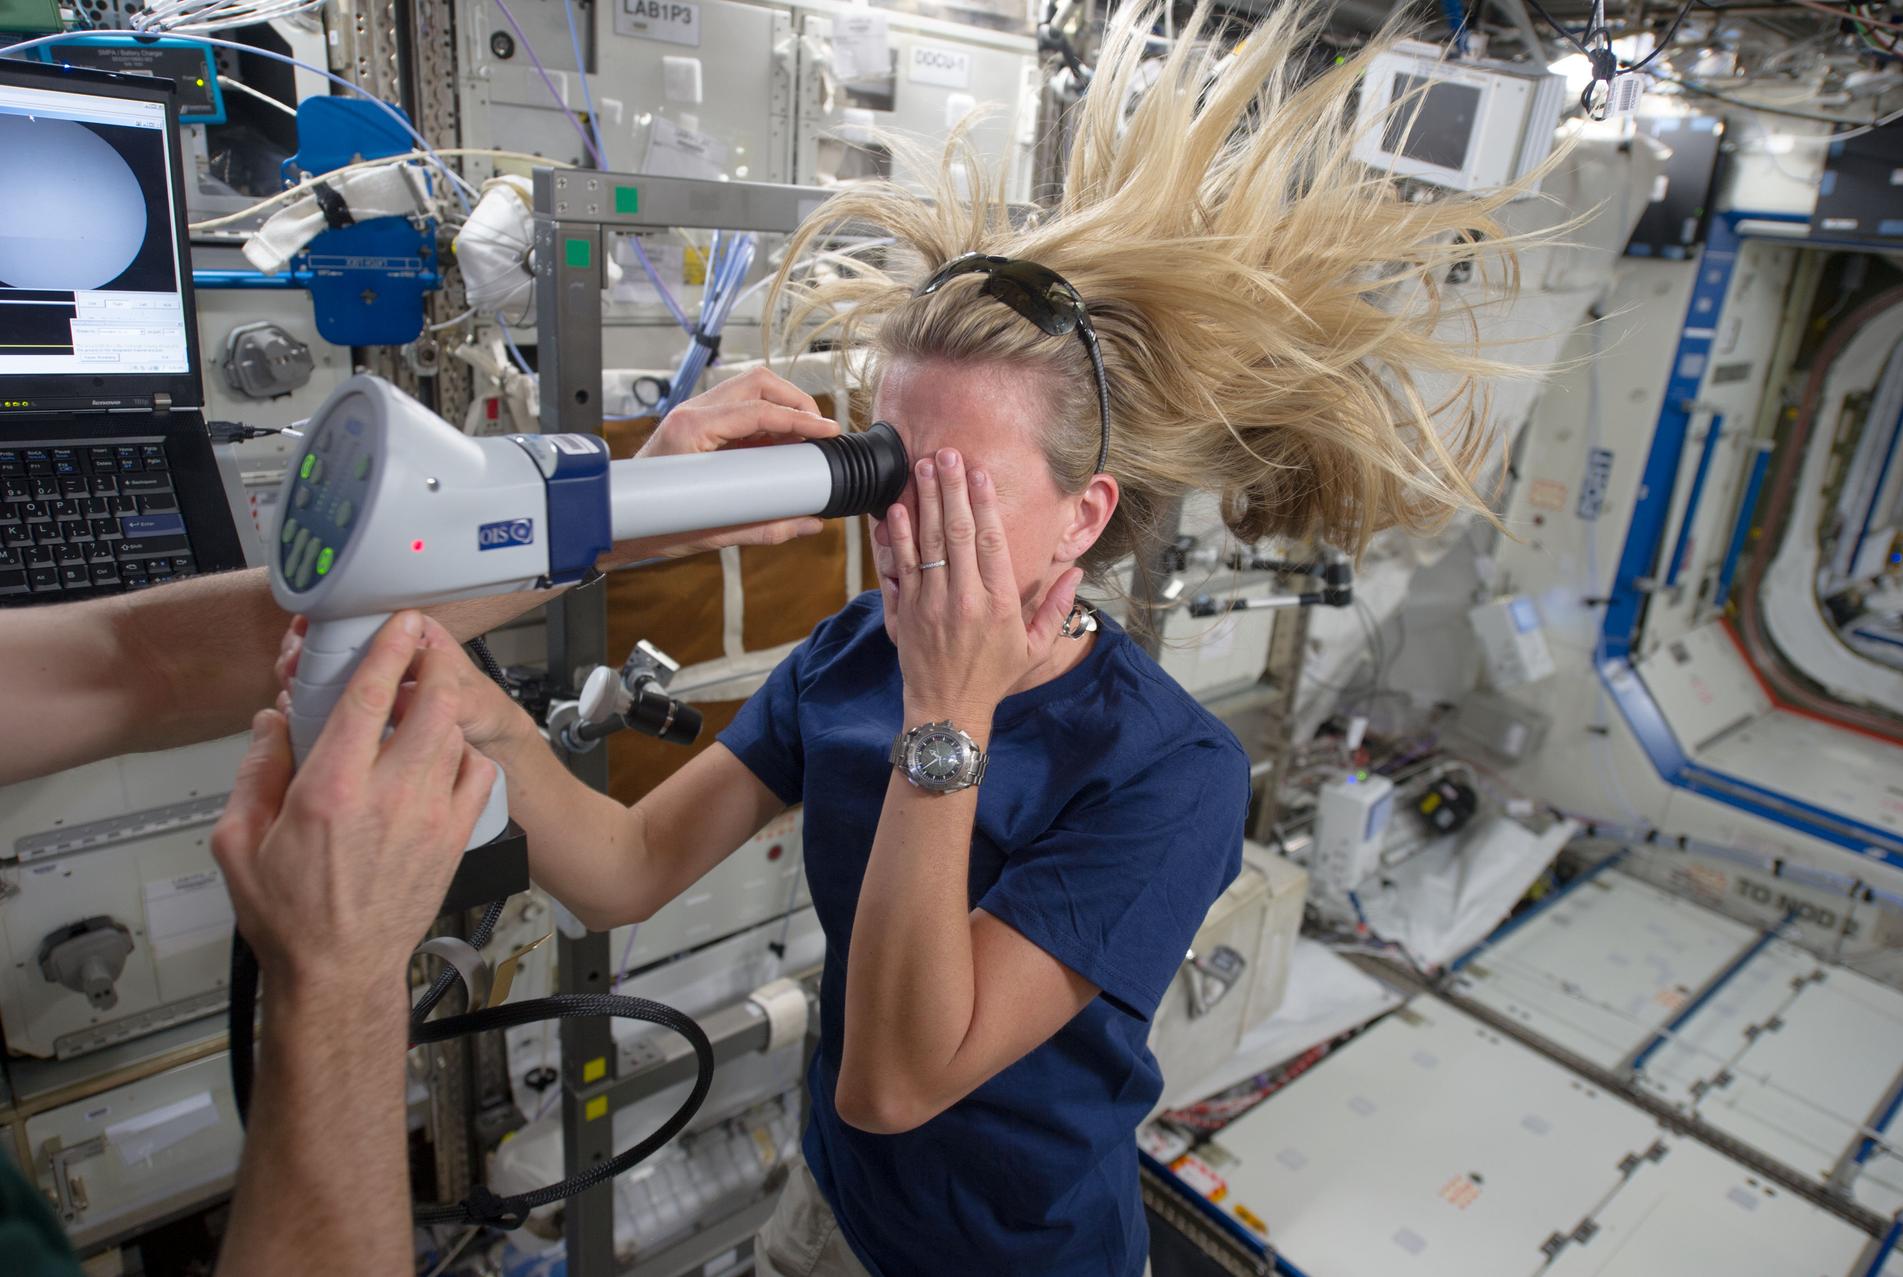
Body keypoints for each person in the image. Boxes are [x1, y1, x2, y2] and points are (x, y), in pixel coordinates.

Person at [359, 2, 1552, 1274]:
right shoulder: (854, 651)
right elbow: (628, 863)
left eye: (956, 484)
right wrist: (480, 715)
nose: (896, 519)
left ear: (1081, 516)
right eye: (885, 467)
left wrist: (948, 715)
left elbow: (893, 1078)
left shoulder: (1169, 771)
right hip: (834, 1214)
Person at [0, 369, 843, 1275]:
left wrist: (618, 517)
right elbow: (623, 867)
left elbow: (137, 660)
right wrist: (337, 968)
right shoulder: (842, 667)